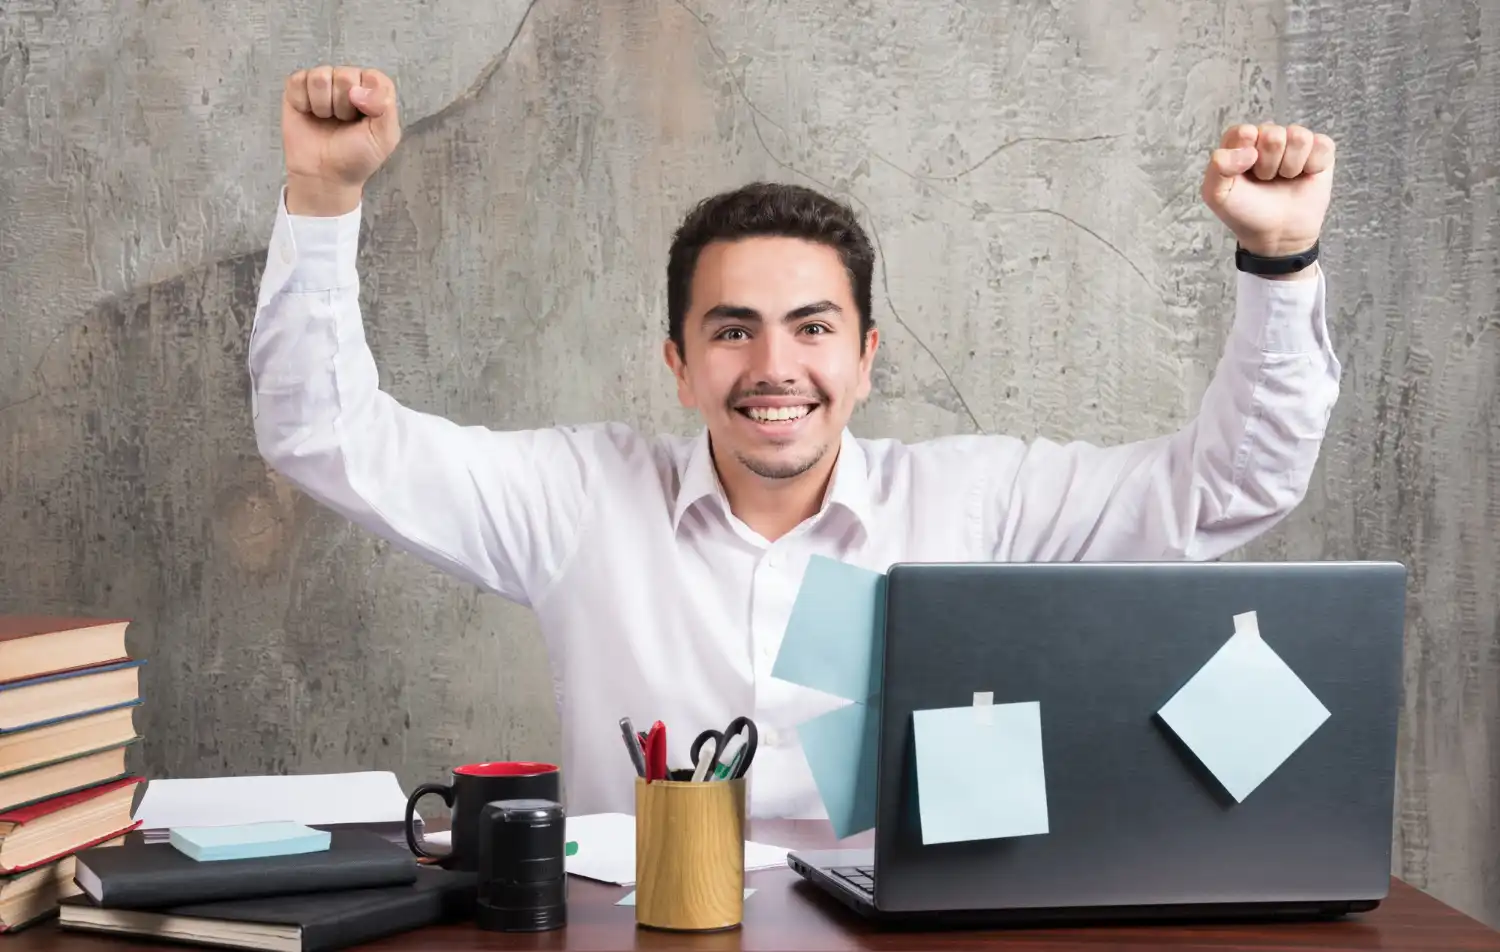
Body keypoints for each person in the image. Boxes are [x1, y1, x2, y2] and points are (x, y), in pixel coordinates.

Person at [249, 65, 1341, 819]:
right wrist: (323, 195)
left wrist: (1281, 264)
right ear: (677, 362)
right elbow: (326, 434)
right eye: (732, 330)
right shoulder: (577, 502)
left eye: (812, 329)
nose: (775, 366)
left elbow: (1231, 485)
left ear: (866, 357)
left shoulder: (978, 508)